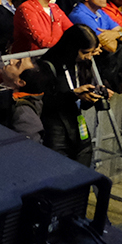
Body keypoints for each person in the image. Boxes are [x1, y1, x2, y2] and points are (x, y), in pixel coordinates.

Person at [36, 26, 106, 161]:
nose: (88, 57)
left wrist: (92, 95)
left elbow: (82, 104)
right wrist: (73, 94)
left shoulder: (81, 63)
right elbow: (44, 101)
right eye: (85, 52)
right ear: (72, 47)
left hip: (78, 127)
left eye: (91, 53)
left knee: (84, 170)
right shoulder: (48, 64)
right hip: (55, 132)